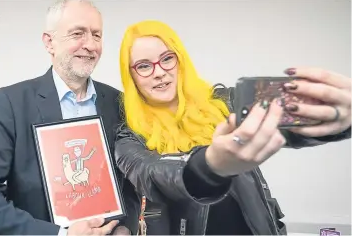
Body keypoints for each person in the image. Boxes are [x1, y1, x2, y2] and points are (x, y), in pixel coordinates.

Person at [114, 20, 351, 235]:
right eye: (144, 66)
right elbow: (154, 175)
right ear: (131, 76)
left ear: (180, 59)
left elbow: (284, 120)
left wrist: (335, 118)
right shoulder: (128, 137)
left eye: (167, 58)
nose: (159, 72)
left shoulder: (226, 103)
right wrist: (210, 165)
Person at [0, 0, 139, 235]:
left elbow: (130, 187)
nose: (90, 45)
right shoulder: (11, 103)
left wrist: (125, 228)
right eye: (78, 33)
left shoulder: (120, 104)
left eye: (97, 35)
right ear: (49, 42)